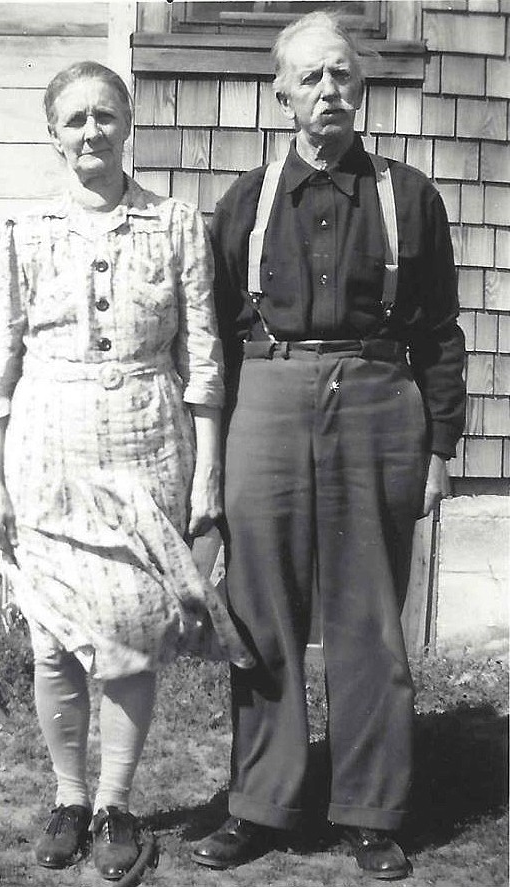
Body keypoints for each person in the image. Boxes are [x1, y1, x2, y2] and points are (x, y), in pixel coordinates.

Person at [192, 11, 466, 880]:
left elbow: (441, 332)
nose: (328, 92)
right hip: (265, 400)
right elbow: (212, 336)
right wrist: (209, 451)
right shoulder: (245, 198)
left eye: (341, 75)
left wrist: (441, 447)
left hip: (380, 399)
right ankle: (260, 803)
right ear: (281, 94)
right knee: (261, 606)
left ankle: (370, 808)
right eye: (309, 78)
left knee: (368, 614)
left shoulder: (408, 194)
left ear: (362, 85)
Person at [0, 60, 252, 882]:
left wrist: (207, 477)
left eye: (105, 115)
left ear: (126, 122)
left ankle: (116, 804)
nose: (91, 131)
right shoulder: (25, 231)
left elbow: (204, 361)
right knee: (55, 643)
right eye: (74, 119)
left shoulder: (172, 224)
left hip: (147, 449)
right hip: (46, 453)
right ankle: (67, 797)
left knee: (132, 640)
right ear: (51, 133)